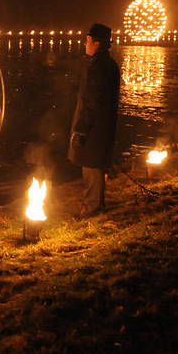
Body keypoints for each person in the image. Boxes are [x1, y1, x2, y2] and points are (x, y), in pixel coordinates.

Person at [68, 23, 121, 218]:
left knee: (91, 166)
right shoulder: (110, 64)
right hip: (103, 125)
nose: (85, 44)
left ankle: (91, 208)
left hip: (93, 128)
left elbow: (91, 102)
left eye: (88, 40)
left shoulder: (96, 66)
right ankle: (98, 204)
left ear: (97, 43)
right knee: (96, 165)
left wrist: (81, 130)